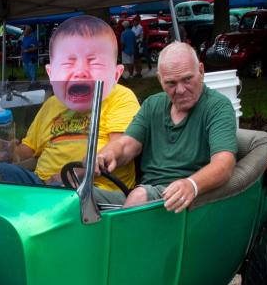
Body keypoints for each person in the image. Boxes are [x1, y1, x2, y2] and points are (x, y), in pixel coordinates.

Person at [0, 15, 140, 191]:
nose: (80, 72)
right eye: (69, 63)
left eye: (93, 63)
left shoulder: (120, 97)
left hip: (94, 188)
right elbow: (28, 150)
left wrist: (81, 170)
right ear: (51, 74)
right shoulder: (52, 103)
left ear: (116, 74)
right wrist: (10, 150)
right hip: (43, 185)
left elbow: (123, 146)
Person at [93, 41, 237, 213]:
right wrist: (107, 154)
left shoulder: (217, 106)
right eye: (171, 83)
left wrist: (192, 184)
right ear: (160, 80)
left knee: (139, 196)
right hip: (145, 195)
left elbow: (224, 163)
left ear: (201, 71)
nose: (181, 89)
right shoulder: (153, 104)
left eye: (187, 79)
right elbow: (126, 145)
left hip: (183, 202)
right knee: (78, 196)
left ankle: (120, 239)